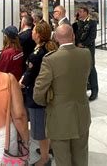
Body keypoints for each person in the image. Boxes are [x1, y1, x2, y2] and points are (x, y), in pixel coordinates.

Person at [33, 24, 92, 166]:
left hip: (59, 118)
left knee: (63, 159)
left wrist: (47, 102)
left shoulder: (50, 59)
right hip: (82, 114)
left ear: (56, 38)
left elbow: (38, 93)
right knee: (81, 156)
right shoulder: (86, 53)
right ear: (73, 36)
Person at [19, 22, 57, 166]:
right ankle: (51, 148)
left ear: (39, 35)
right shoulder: (51, 47)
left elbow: (27, 78)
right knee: (48, 124)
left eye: (34, 31)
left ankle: (45, 158)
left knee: (40, 129)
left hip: (36, 96)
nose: (32, 33)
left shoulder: (36, 55)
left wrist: (18, 85)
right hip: (49, 93)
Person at [75, 6, 98, 101]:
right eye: (78, 12)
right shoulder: (78, 23)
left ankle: (94, 90)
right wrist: (77, 44)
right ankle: (86, 85)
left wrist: (83, 44)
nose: (79, 13)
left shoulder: (92, 22)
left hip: (88, 49)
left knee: (91, 68)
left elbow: (92, 37)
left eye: (80, 11)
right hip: (79, 49)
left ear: (85, 12)